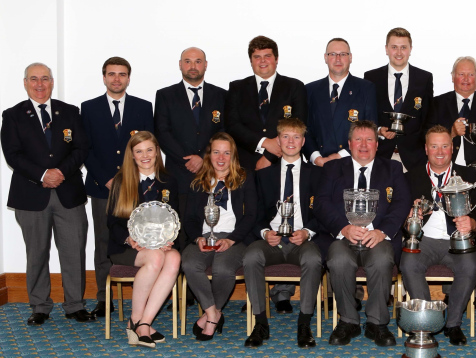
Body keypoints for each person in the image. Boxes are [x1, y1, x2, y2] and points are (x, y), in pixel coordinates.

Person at [1, 63, 93, 325]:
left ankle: (75, 305)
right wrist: (43, 174)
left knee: (74, 251)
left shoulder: (69, 112)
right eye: (34, 79)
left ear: (52, 82)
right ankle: (40, 306)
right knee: (37, 252)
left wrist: (59, 172)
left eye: (44, 79)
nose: (39, 84)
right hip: (31, 195)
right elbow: (12, 154)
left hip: (68, 192)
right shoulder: (13, 115)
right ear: (25, 82)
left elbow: (81, 148)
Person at [315, 120, 411, 346]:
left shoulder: (393, 168)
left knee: (381, 259)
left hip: (377, 237)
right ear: (349, 144)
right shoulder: (333, 168)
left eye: (370, 139)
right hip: (343, 236)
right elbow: (320, 203)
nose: (364, 145)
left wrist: (382, 232)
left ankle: (377, 323)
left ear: (377, 144)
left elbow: (402, 202)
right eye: (358, 139)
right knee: (337, 259)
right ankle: (348, 320)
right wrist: (344, 228)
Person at [81, 56, 154, 318]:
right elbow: (85, 149)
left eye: (121, 74)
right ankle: (104, 299)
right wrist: (106, 179)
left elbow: (149, 149)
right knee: (103, 242)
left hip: (137, 187)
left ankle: (145, 293)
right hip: (103, 189)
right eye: (111, 74)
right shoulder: (88, 108)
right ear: (104, 77)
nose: (116, 79)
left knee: (145, 239)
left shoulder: (143, 107)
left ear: (128, 78)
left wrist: (131, 179)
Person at [243, 118, 323, 348]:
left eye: (296, 137)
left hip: (302, 240)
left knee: (314, 258)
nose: (291, 141)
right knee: (250, 257)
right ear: (277, 141)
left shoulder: (317, 174)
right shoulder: (264, 175)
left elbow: (325, 212)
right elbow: (254, 212)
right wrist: (265, 232)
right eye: (285, 136)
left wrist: (307, 232)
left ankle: (304, 323)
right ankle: (260, 324)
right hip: (271, 241)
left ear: (303, 141)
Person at [399, 125, 476, 346]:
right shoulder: (409, 177)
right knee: (408, 264)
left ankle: (453, 324)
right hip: (423, 240)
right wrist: (410, 216)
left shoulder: (471, 176)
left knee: (470, 266)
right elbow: (399, 217)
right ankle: (427, 321)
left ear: (452, 148)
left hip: (457, 241)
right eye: (434, 146)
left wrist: (472, 223)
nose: (440, 151)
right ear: (426, 149)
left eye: (445, 146)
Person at [106, 131, 180, 347]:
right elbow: (112, 221)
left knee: (174, 259)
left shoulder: (169, 181)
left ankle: (143, 323)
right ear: (131, 155)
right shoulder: (121, 181)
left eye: (149, 149)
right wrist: (129, 239)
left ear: (157, 151)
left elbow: (174, 218)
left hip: (158, 244)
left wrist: (169, 238)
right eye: (139, 151)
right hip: (127, 246)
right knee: (155, 259)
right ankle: (137, 319)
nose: (145, 155)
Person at [181, 132, 257, 341]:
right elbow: (189, 219)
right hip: (204, 236)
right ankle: (213, 313)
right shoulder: (198, 182)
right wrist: (198, 238)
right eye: (216, 152)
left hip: (235, 238)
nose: (221, 158)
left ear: (233, 156)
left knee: (223, 268)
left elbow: (251, 215)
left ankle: (209, 316)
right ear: (209, 155)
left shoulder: (245, 178)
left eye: (226, 153)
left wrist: (232, 239)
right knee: (188, 263)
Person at [154, 47, 227, 253]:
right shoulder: (165, 95)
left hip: (213, 172)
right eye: (187, 61)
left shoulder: (221, 95)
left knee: (213, 227)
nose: (192, 66)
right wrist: (188, 159)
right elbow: (162, 132)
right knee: (181, 231)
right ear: (180, 64)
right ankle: (180, 282)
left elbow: (223, 132)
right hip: (179, 173)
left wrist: (203, 157)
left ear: (205, 65)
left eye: (197, 61)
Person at [225, 35, 307, 171]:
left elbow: (299, 126)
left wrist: (269, 156)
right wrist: (264, 142)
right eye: (257, 57)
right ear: (251, 61)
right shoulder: (236, 88)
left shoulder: (295, 87)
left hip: (284, 162)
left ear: (276, 59)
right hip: (245, 165)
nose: (262, 61)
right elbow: (232, 126)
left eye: (267, 56)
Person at [364, 27, 434, 170]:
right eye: (394, 47)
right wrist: (377, 130)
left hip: (414, 158)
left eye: (403, 47)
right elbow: (366, 116)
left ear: (410, 49)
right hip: (380, 155)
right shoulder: (371, 78)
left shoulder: (424, 78)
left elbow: (428, 118)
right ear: (386, 49)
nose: (399, 52)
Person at [305, 38, 378, 167]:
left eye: (343, 54)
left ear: (350, 57)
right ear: (325, 58)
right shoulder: (310, 90)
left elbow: (371, 129)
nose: (338, 59)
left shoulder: (366, 89)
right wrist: (316, 158)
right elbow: (305, 129)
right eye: (332, 54)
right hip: (318, 165)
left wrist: (339, 156)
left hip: (351, 164)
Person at [428, 56, 476, 167]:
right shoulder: (436, 104)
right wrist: (450, 133)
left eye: (471, 74)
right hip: (445, 168)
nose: (466, 79)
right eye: (461, 74)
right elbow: (426, 136)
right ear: (452, 77)